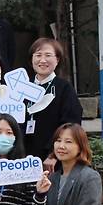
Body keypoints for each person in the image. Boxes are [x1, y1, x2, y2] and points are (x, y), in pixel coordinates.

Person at [23, 38, 82, 172]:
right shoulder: (22, 88)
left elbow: (70, 124)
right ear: (31, 59)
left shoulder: (64, 88)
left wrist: (54, 154)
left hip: (53, 161)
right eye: (38, 55)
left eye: (48, 55)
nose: (42, 60)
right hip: (23, 160)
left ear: (57, 60)